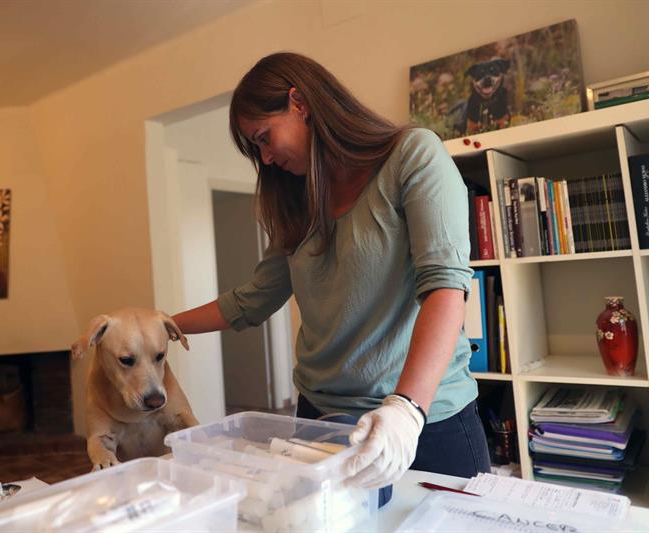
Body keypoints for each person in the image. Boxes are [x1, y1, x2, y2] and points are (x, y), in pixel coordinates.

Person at [171, 52, 491, 506]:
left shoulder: (412, 156)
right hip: (319, 421)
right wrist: (161, 325)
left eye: (264, 138)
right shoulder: (295, 201)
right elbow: (250, 301)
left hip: (422, 422)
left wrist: (406, 410)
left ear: (300, 103)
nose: (265, 157)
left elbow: (445, 287)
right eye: (254, 149)